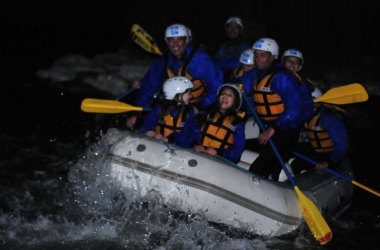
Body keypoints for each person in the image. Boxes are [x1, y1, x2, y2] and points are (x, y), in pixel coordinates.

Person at [126, 23, 224, 130]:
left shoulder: (200, 60)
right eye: (171, 40)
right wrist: (136, 114)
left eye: (179, 40)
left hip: (201, 107)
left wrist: (199, 107)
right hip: (174, 106)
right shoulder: (163, 61)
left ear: (186, 41)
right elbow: (148, 87)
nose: (175, 44)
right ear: (167, 42)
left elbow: (218, 86)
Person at [243, 38, 305, 181]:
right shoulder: (257, 75)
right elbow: (246, 91)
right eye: (256, 54)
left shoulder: (283, 77)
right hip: (265, 126)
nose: (257, 59)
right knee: (267, 164)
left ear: (273, 56)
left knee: (260, 167)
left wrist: (274, 127)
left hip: (285, 129)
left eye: (262, 55)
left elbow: (295, 109)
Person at [290, 95, 349, 175]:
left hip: (331, 154)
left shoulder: (328, 118)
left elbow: (342, 145)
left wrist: (328, 162)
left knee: (296, 165)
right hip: (316, 149)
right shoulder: (308, 115)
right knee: (288, 149)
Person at [191, 84, 245, 164]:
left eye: (230, 94)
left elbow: (237, 151)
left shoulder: (237, 125)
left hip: (218, 161)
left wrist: (219, 152)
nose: (224, 96)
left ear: (235, 101)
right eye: (223, 93)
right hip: (198, 155)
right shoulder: (206, 116)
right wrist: (195, 144)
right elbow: (191, 134)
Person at [140, 76, 199, 148]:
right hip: (157, 145)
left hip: (178, 147)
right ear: (178, 95)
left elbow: (187, 134)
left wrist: (169, 139)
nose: (191, 96)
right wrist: (148, 132)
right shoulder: (159, 109)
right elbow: (146, 125)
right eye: (189, 93)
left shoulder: (188, 112)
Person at [281, 48, 314, 123]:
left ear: (300, 66)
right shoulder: (274, 77)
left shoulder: (304, 83)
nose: (292, 64)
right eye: (289, 61)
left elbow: (307, 109)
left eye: (296, 62)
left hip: (292, 121)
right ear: (283, 63)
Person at [214, 17, 252, 81]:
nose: (232, 29)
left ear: (240, 30)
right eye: (230, 27)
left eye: (236, 27)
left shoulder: (246, 48)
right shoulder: (222, 47)